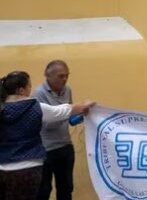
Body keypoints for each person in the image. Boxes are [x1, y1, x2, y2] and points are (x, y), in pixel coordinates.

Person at [0, 71, 94, 200]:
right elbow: (62, 110)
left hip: (3, 168)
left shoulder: (2, 109)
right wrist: (84, 106)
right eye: (29, 87)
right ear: (21, 90)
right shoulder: (35, 107)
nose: (30, 90)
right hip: (29, 167)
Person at [32, 60, 75, 200]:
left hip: (65, 146)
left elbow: (69, 112)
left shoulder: (67, 90)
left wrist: (76, 117)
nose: (64, 79)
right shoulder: (38, 94)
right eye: (60, 76)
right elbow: (45, 123)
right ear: (48, 76)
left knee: (66, 188)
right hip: (46, 149)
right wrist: (67, 114)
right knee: (44, 189)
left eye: (66, 75)